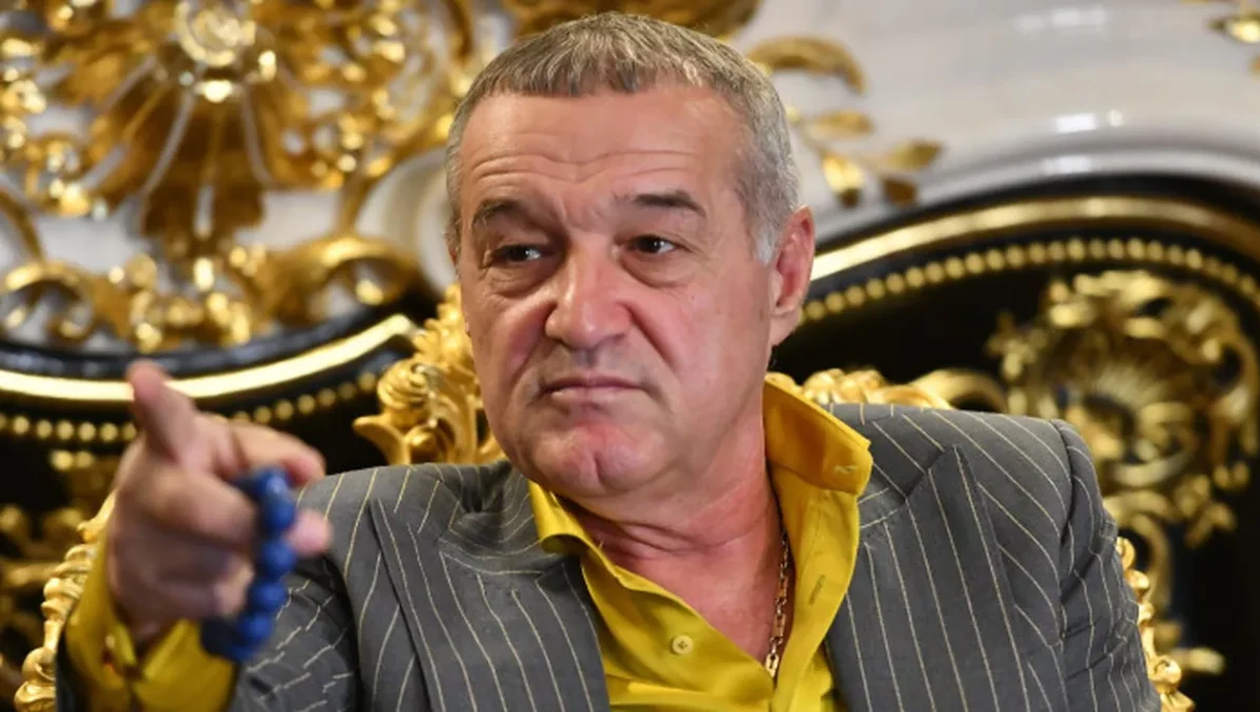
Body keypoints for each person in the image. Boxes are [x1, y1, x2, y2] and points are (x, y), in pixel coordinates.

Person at [54, 11, 1157, 712]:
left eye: (654, 246)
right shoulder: (341, 559)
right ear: (464, 281)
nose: (579, 317)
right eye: (519, 252)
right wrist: (154, 610)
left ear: (782, 275)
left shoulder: (1015, 499)